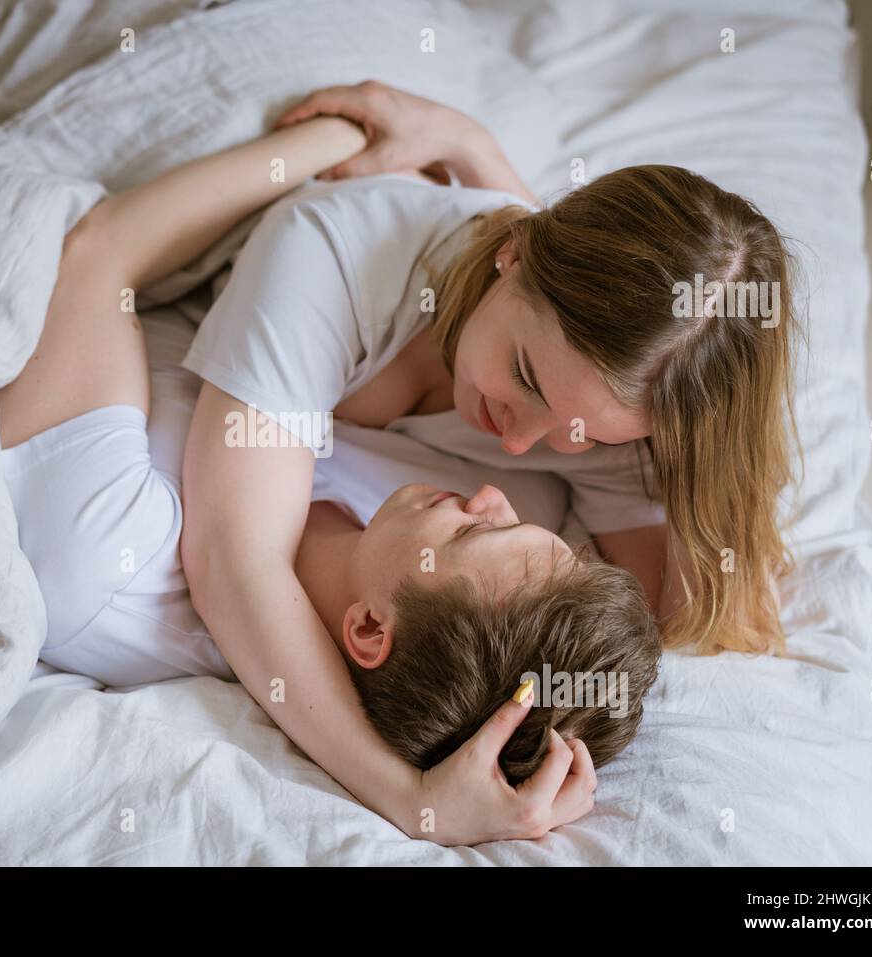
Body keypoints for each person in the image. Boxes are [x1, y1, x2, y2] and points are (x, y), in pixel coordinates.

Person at [0, 115, 662, 845]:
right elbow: (568, 329)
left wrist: (333, 142)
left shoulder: (104, 554)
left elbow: (96, 252)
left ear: (370, 629)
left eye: (477, 528)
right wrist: (469, 151)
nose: (498, 488)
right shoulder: (491, 509)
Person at [179, 82, 797, 847]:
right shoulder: (326, 252)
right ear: (512, 255)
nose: (515, 446)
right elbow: (231, 557)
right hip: (289, 169)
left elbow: (659, 607)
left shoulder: (616, 400)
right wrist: (411, 797)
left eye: (579, 435)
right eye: (525, 379)